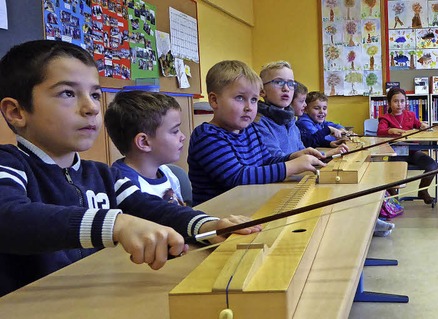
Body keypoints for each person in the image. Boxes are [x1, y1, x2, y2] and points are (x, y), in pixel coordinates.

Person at [0, 40, 260, 297]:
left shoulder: (103, 175)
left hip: (96, 300)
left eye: (94, 94)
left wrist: (207, 226)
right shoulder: (9, 164)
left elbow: (152, 208)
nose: (91, 108)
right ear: (16, 112)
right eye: (68, 93)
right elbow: (9, 217)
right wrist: (115, 223)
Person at [188, 60, 325, 205]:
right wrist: (292, 166)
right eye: (240, 98)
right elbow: (237, 178)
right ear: (214, 101)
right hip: (219, 216)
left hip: (248, 206)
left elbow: (265, 162)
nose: (249, 107)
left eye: (253, 100)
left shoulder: (249, 129)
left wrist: (292, 157)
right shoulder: (207, 136)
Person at [104, 90, 188, 206]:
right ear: (144, 142)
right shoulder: (125, 187)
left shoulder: (167, 172)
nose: (182, 137)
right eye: (175, 131)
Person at [253, 61, 347, 158]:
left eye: (290, 83)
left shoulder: (290, 120)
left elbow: (302, 151)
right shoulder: (259, 123)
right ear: (262, 91)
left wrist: (326, 155)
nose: (286, 88)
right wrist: (325, 155)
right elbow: (276, 159)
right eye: (278, 82)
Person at [377, 87, 438, 205]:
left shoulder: (410, 115)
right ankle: (393, 197)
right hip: (396, 153)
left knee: (432, 166)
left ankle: (423, 190)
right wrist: (390, 131)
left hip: (412, 151)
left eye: (402, 101)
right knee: (392, 173)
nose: (399, 104)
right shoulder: (385, 118)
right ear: (389, 103)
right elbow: (380, 131)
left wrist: (422, 125)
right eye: (395, 101)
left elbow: (418, 124)